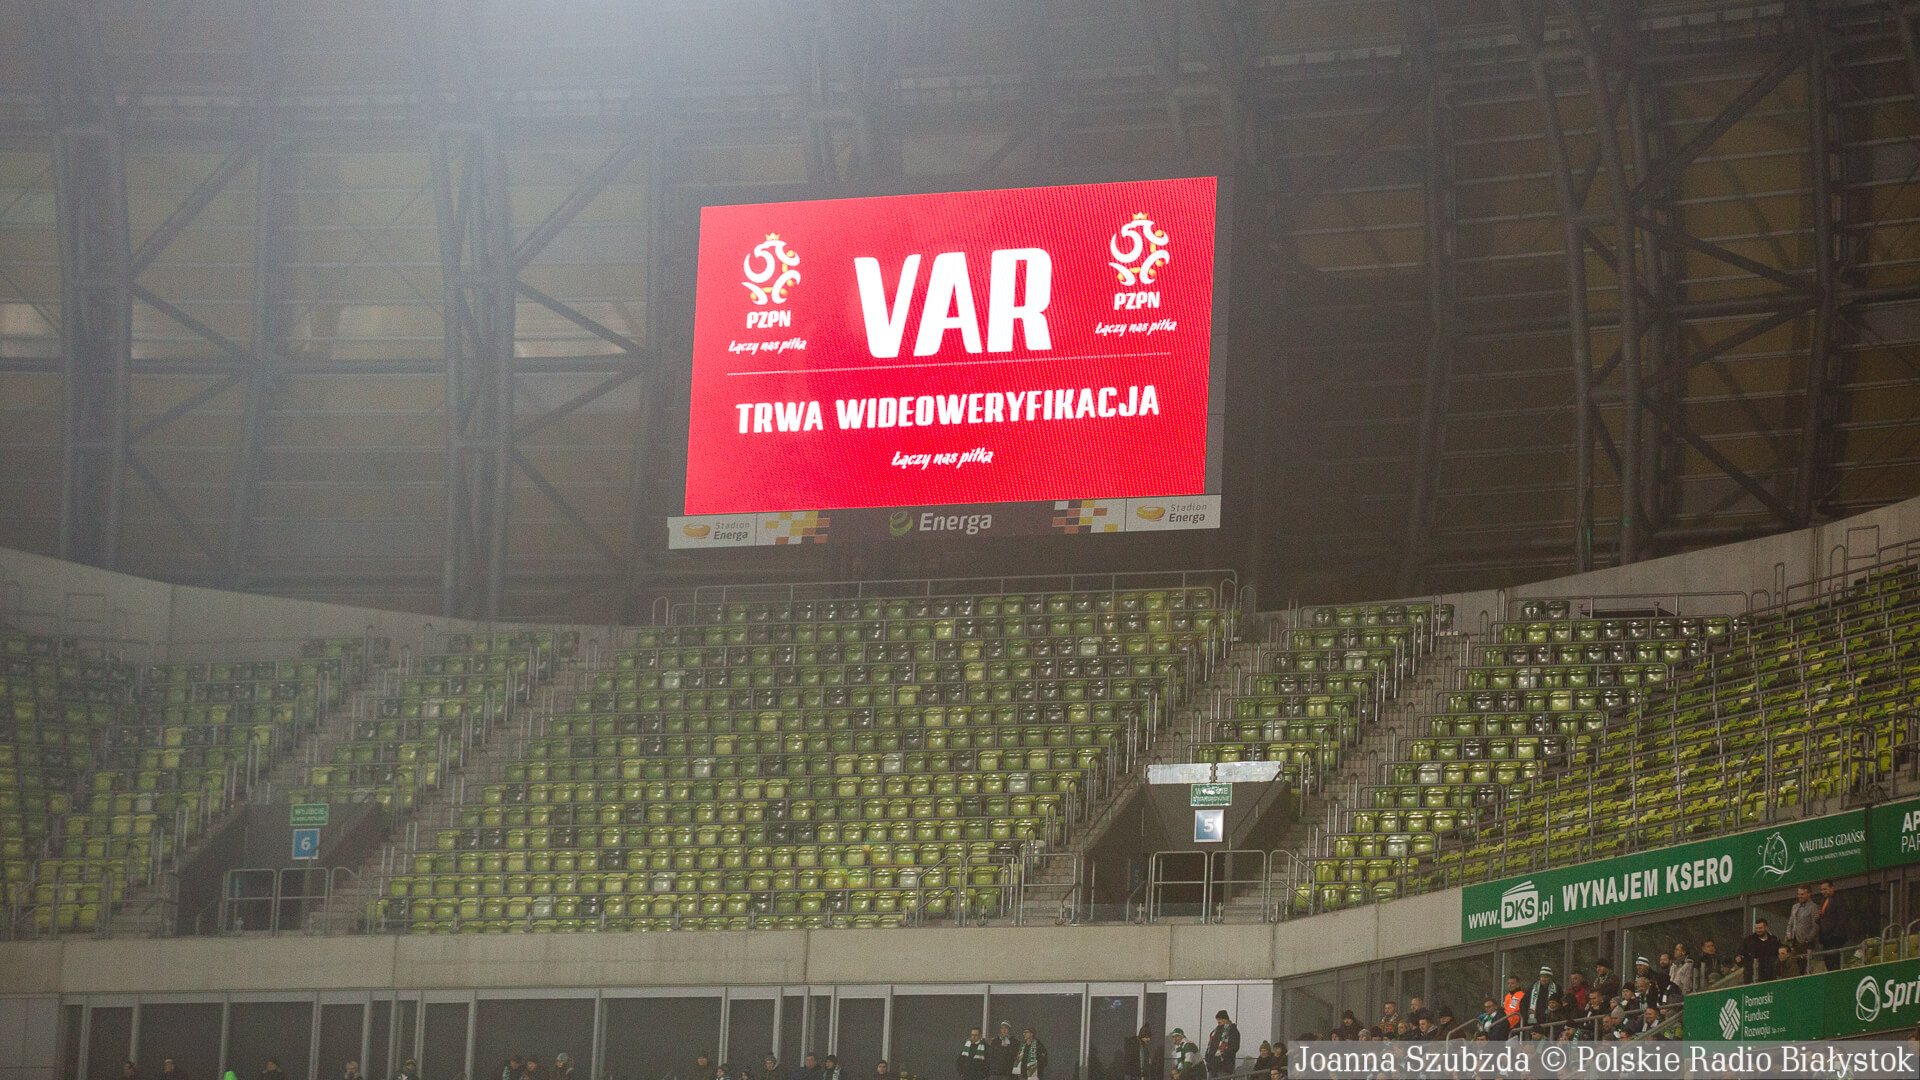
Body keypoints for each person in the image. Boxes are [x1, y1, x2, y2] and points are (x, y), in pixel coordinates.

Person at [1736, 918, 1780, 983]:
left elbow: (1777, 955)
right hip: (1752, 976)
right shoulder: (1749, 940)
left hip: (1770, 976)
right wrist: (1739, 959)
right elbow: (1740, 954)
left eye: (1760, 928)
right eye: (1756, 928)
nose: (1758, 930)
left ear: (1766, 928)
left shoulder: (1773, 940)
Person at [1818, 880, 1849, 963]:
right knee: (1828, 962)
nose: (1823, 892)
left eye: (1825, 889)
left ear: (1832, 888)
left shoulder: (1838, 900)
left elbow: (1842, 918)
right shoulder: (1823, 901)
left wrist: (1835, 935)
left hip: (1835, 938)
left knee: (1834, 961)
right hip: (1826, 939)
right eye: (1821, 890)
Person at [1787, 885, 1820, 960]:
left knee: (1805, 963)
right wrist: (1789, 934)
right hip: (1795, 942)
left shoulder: (1813, 907)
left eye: (1802, 894)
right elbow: (1790, 923)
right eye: (1798, 894)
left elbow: (1816, 927)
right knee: (1792, 961)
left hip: (1807, 944)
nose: (1799, 896)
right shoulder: (1795, 907)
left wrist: (1808, 940)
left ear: (1809, 894)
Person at [1203, 1011, 1239, 1077]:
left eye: (1220, 1019)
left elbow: (1234, 1047)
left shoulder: (1232, 1030)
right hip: (1212, 1066)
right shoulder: (1215, 1031)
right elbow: (1210, 1045)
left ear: (1226, 1019)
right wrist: (1207, 1057)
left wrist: (1223, 1056)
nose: (1218, 1021)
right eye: (1217, 1019)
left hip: (1224, 1067)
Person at [1524, 968, 1557, 1032]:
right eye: (1542, 977)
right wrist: (1526, 1016)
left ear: (1550, 978)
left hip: (1550, 1022)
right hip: (1534, 1022)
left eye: (1546, 977)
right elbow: (1524, 1003)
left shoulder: (1556, 988)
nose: (1543, 979)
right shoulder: (1532, 988)